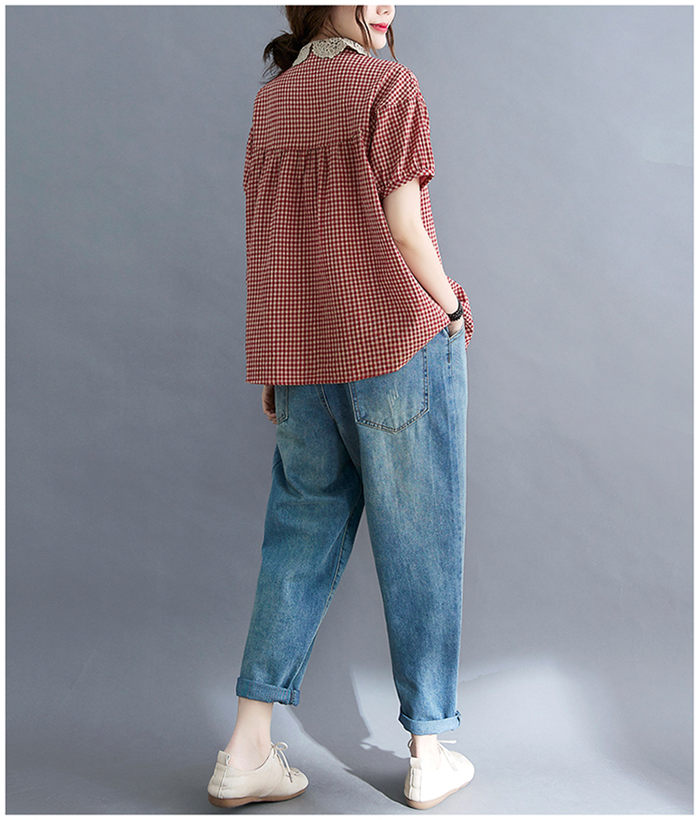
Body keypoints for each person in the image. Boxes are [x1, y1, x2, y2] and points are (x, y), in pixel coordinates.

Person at [207, 5, 476, 810]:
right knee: (420, 539)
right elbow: (405, 228)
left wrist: (275, 361)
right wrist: (453, 307)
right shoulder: (390, 86)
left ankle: (245, 751)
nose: (389, 4)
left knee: (296, 541)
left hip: (303, 360)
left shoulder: (272, 102)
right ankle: (428, 750)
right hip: (396, 346)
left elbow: (265, 239)